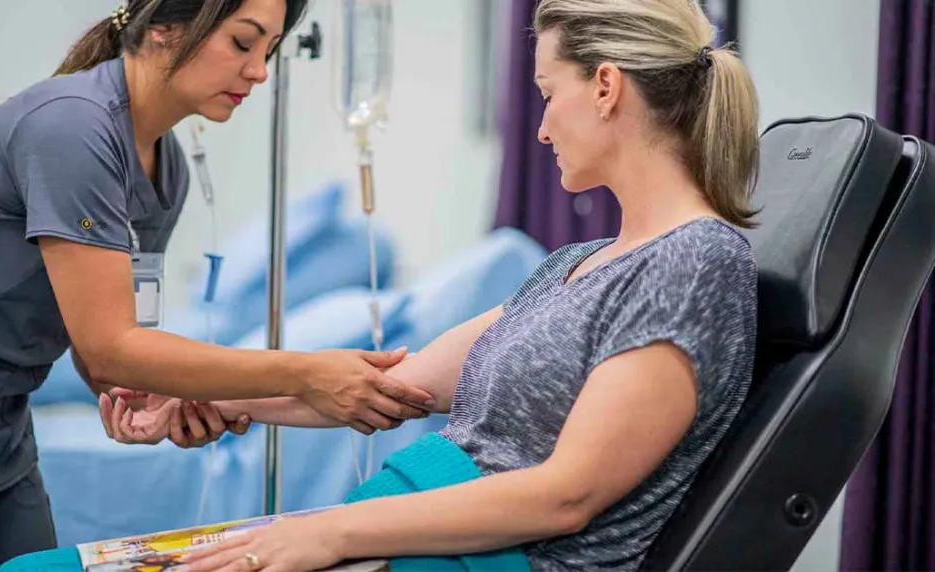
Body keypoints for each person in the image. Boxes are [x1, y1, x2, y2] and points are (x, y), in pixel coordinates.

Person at [0, 1, 436, 570]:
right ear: (164, 27)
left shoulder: (163, 167)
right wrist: (307, 372)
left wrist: (163, 396)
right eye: (243, 42)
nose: (259, 71)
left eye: (270, 50)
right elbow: (111, 347)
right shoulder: (71, 126)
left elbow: (107, 355)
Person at [173, 0, 762, 569]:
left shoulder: (694, 262)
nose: (542, 130)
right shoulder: (577, 262)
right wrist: (208, 396)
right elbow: (395, 387)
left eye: (549, 94)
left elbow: (566, 497)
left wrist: (326, 531)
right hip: (406, 540)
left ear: (606, 87)